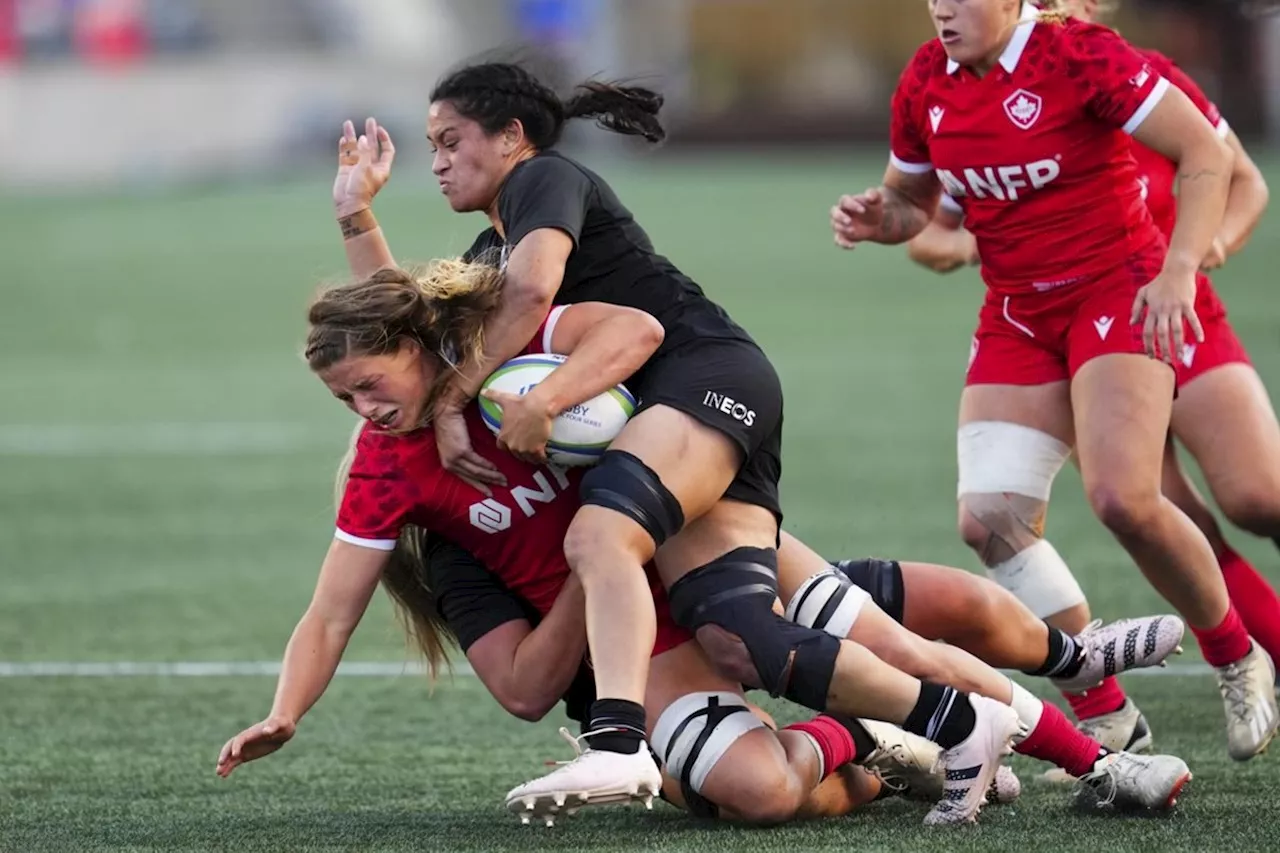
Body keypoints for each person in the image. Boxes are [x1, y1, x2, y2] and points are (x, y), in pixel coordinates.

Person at [330, 61, 826, 810]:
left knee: (820, 618)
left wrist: (477, 393)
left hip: (690, 413)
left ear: (510, 138)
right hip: (644, 497)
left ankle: (996, 711)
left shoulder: (539, 194)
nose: (435, 162)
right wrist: (355, 217)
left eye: (448, 141)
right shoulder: (485, 263)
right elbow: (409, 336)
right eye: (429, 145)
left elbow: (523, 301)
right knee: (759, 788)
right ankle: (886, 743)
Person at [829, 0, 1278, 762]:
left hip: (1119, 288)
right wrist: (884, 219)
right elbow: (915, 206)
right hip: (1019, 312)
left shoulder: (1081, 56)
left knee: (1132, 499)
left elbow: (1211, 157)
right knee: (989, 519)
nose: (942, 7)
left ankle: (1238, 654)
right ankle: (1103, 702)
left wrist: (1179, 270)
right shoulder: (926, 80)